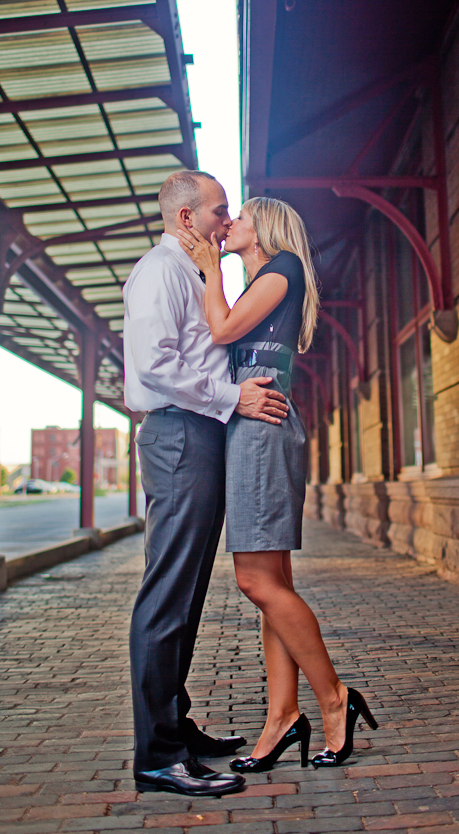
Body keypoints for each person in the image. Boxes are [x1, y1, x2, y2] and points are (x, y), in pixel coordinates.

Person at [177, 196, 378, 772]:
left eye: (238, 218)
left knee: (254, 580)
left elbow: (219, 331)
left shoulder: (282, 266)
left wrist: (210, 269)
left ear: (262, 227)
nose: (229, 225)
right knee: (272, 584)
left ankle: (335, 700)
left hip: (262, 430)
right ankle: (281, 718)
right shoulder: (261, 280)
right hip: (253, 426)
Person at [123, 172, 291, 797]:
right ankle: (157, 756)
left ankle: (175, 726)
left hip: (201, 435)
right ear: (188, 217)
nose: (228, 221)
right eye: (221, 211)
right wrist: (233, 397)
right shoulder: (159, 273)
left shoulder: (193, 273)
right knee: (168, 591)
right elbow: (154, 364)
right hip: (178, 435)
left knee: (188, 592)